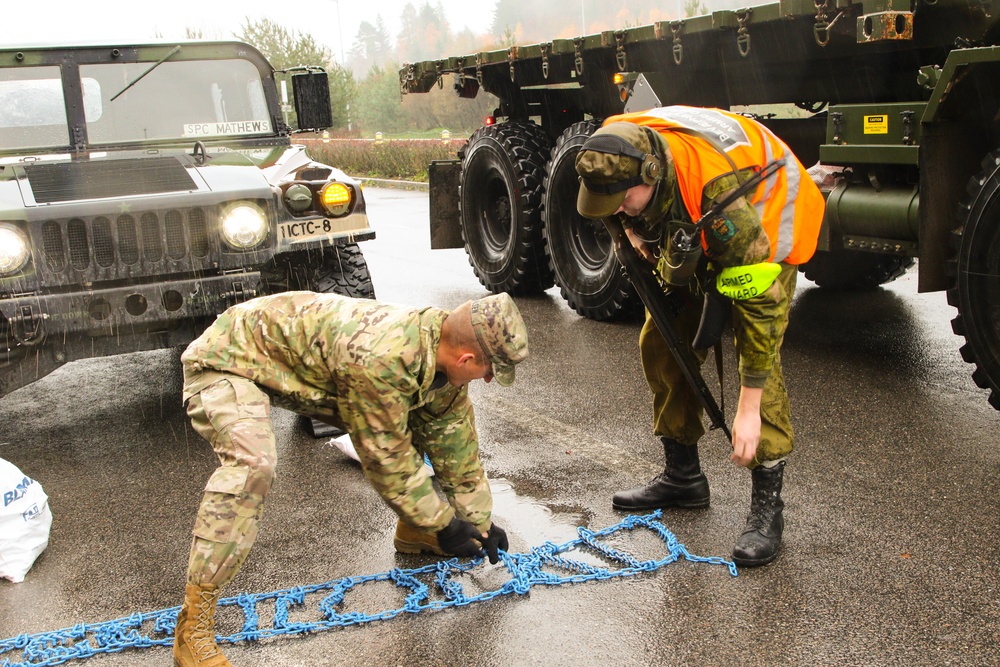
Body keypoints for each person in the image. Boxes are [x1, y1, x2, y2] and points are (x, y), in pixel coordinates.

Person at [172, 290, 528, 667]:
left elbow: (454, 442)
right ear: (466, 357)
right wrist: (443, 523)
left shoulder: (442, 354)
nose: (488, 379)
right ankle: (192, 630)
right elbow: (385, 458)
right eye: (489, 370)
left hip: (300, 365)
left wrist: (478, 521)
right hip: (227, 360)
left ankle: (415, 530)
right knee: (252, 466)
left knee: (420, 418)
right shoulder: (383, 359)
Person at [575, 105, 824, 568]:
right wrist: (630, 227)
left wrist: (746, 408)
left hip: (769, 220)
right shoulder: (613, 146)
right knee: (663, 337)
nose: (618, 209)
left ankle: (768, 507)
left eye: (625, 200)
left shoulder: (718, 195)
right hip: (698, 221)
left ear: (650, 174)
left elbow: (761, 311)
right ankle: (683, 476)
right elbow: (613, 203)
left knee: (757, 358)